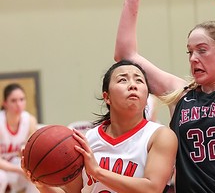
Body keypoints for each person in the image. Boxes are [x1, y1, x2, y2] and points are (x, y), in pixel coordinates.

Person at [114, 0, 215, 192]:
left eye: (202, 50)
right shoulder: (181, 94)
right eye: (190, 51)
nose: (193, 58)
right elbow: (125, 55)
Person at [22, 60, 178, 193]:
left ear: (146, 96)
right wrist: (41, 184)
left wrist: (97, 172)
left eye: (139, 80)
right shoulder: (86, 139)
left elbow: (152, 188)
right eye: (123, 80)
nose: (132, 85)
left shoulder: (160, 135)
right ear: (107, 97)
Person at [0, 83, 39, 193]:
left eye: (22, 99)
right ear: (5, 103)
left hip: (15, 165)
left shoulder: (30, 120)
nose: (19, 104)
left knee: (34, 175)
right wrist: (18, 170)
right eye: (13, 100)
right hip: (3, 169)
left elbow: (32, 153)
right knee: (1, 178)